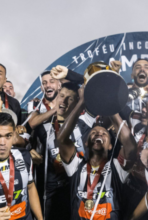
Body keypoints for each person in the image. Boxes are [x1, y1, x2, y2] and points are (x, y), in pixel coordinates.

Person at [56, 83, 138, 220]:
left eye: (104, 134)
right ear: (86, 143)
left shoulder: (117, 168)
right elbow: (62, 139)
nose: (99, 134)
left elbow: (131, 145)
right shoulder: (76, 166)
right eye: (93, 133)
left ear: (111, 146)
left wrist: (110, 105)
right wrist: (81, 102)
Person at [32, 82, 95, 220]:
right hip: (50, 191)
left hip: (74, 187)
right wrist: (30, 151)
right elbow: (24, 144)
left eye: (70, 98)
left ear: (77, 102)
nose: (64, 101)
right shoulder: (43, 128)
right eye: (61, 96)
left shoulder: (83, 125)